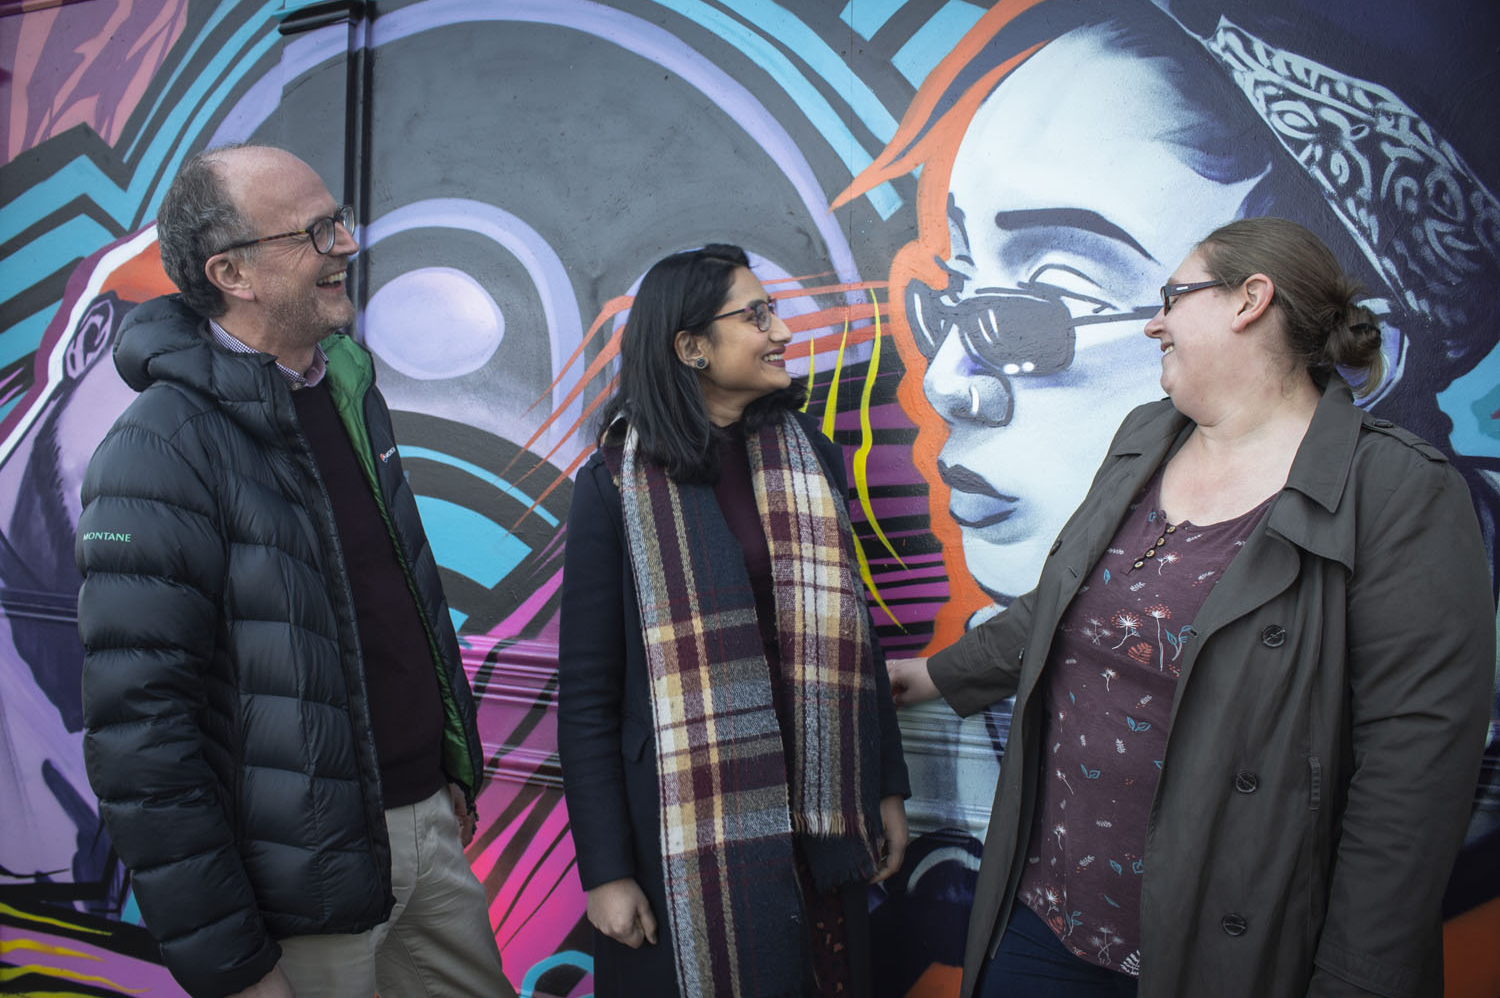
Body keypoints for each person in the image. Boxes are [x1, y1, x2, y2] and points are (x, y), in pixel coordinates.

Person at [887, 217, 1494, 998]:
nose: (1153, 321)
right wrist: (933, 674)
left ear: (1250, 299)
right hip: (1044, 919)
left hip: (1224, 954)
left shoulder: (1399, 490)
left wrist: (1354, 980)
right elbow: (1067, 605)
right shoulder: (1148, 436)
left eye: (1173, 296)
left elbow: (1411, 783)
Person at [75, 145, 516, 998]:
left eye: (340, 218)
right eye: (316, 230)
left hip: (426, 828)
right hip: (299, 887)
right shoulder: (158, 449)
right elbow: (142, 741)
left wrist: (448, 767)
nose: (346, 244)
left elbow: (397, 597)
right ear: (231, 272)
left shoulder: (347, 388)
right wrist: (231, 965)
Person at [558, 243, 910, 997]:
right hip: (684, 829)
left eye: (773, 311)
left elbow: (857, 640)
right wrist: (606, 872)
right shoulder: (615, 485)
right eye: (756, 316)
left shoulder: (807, 456)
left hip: (818, 813)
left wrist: (884, 789)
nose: (781, 331)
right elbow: (587, 697)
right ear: (690, 347)